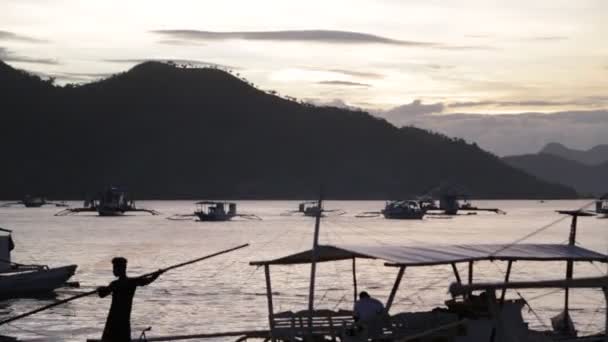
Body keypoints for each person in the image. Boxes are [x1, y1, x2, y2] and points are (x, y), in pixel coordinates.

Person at [97, 257, 163, 342]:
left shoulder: (115, 284)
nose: (113, 270)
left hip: (113, 320)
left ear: (121, 268)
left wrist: (100, 289)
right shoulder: (132, 282)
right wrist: (157, 275)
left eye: (114, 268)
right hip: (124, 319)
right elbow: (147, 281)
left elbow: (102, 294)